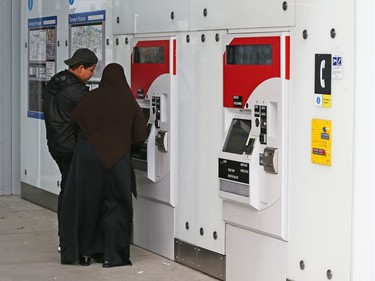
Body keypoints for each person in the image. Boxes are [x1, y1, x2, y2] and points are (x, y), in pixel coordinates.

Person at [59, 63, 148, 267]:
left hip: (87, 158)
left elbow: (76, 125)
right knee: (116, 206)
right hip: (116, 160)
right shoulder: (127, 101)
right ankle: (112, 256)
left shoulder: (90, 98)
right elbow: (138, 136)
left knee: (85, 204)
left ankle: (83, 254)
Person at [42, 48, 98, 246]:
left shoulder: (55, 82)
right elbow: (93, 117)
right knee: (72, 193)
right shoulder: (77, 90)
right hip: (71, 147)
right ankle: (67, 240)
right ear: (80, 68)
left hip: (56, 144)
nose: (92, 75)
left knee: (67, 189)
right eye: (91, 70)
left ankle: (66, 238)